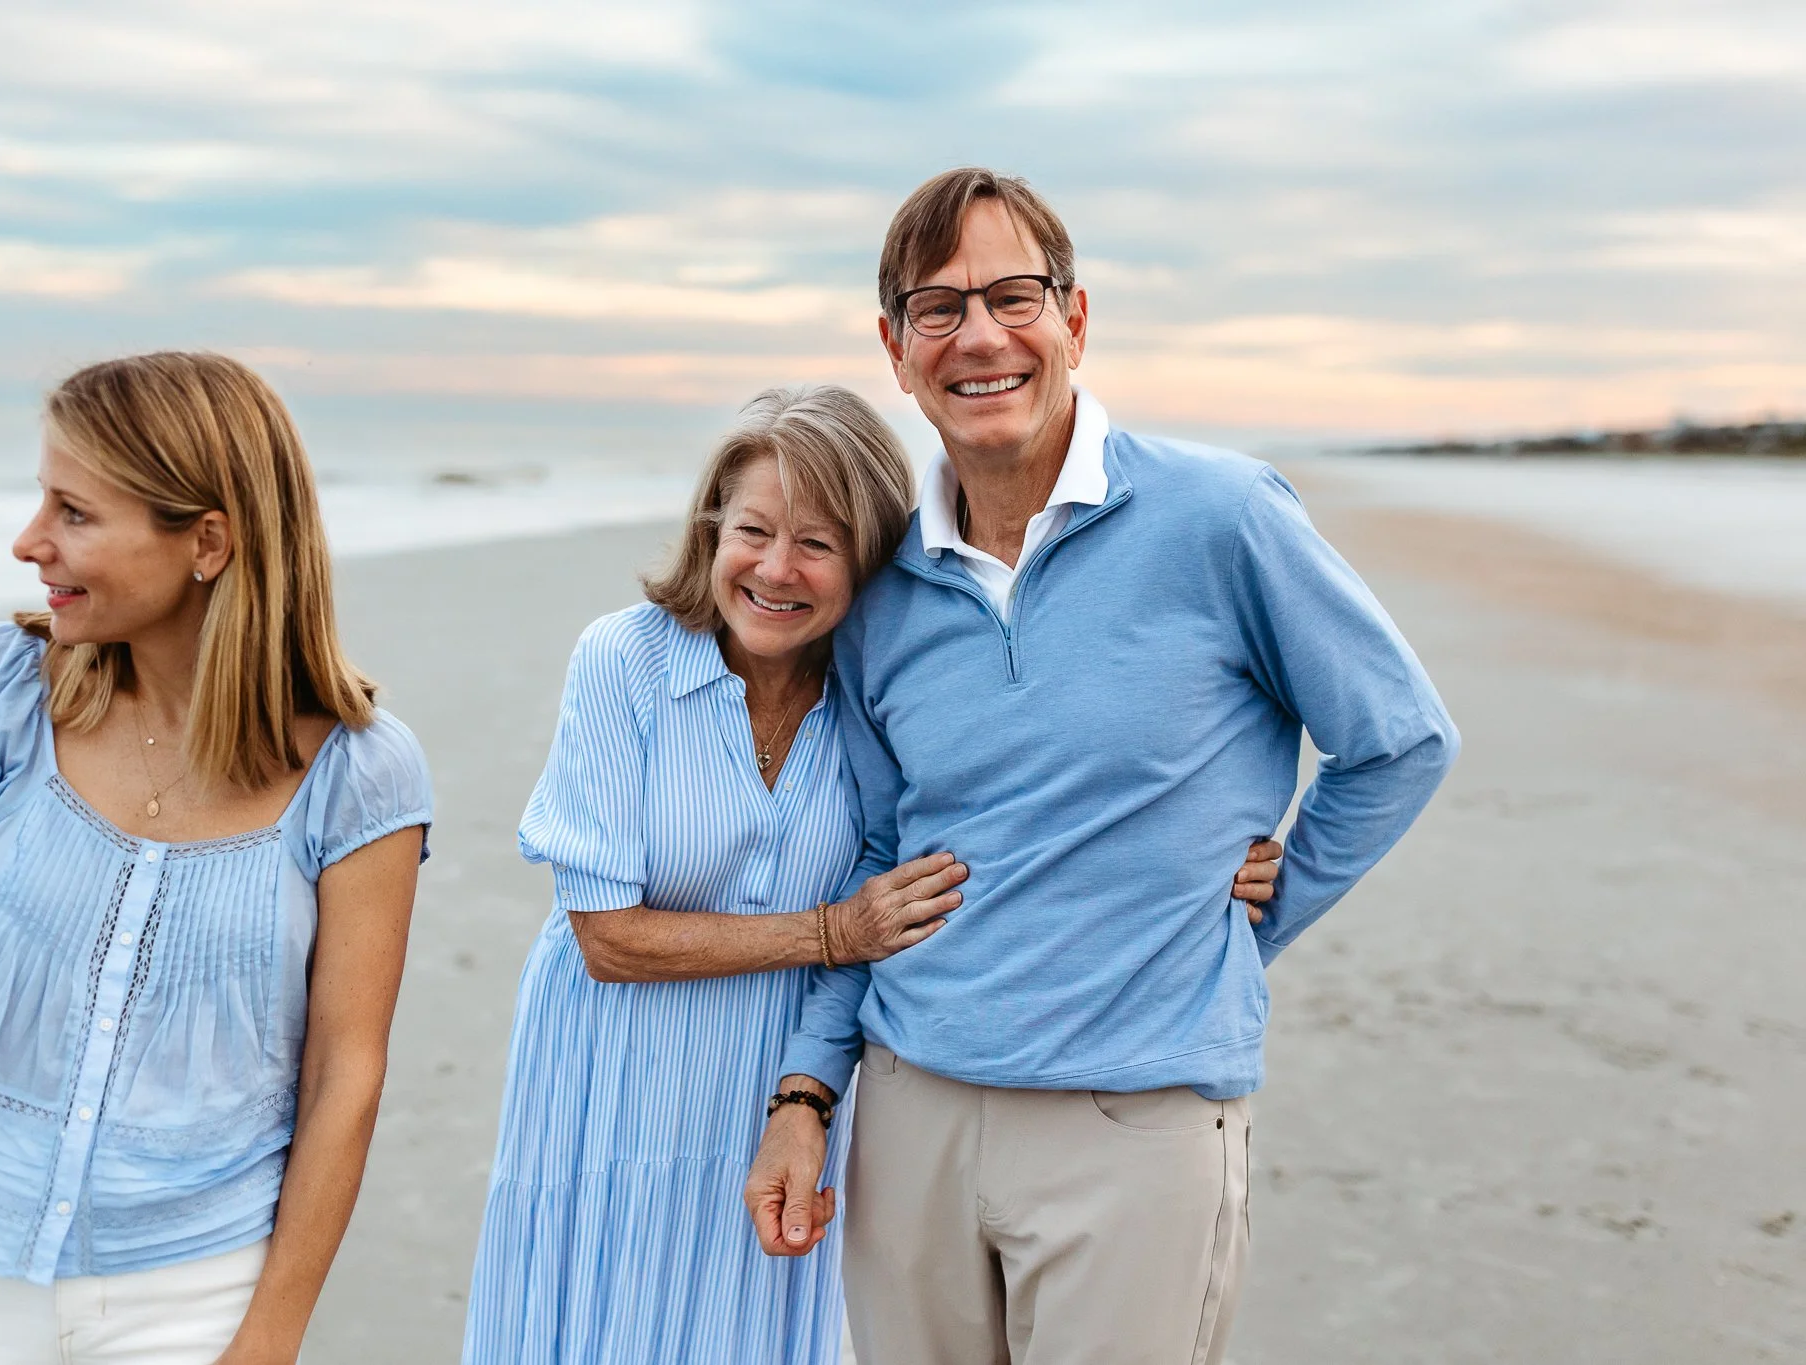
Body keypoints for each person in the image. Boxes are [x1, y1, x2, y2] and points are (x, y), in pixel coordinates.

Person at [746, 169, 1461, 1365]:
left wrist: (1254, 912)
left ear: (1073, 321)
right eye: (937, 307)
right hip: (910, 1108)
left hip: (1133, 1119)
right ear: (895, 347)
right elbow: (876, 861)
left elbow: (1397, 740)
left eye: (1012, 295)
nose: (979, 335)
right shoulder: (878, 591)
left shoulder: (1220, 518)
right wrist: (804, 1094)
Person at [461, 383, 1297, 1364]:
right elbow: (605, 937)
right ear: (710, 530)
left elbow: (971, 844)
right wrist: (828, 932)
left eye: (815, 543)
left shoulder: (880, 689)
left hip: (779, 1080)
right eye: (752, 531)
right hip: (606, 1081)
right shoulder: (622, 664)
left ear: (867, 560)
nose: (775, 569)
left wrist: (1202, 856)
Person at [0, 353, 433, 1365]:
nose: (30, 543)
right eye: (41, 501)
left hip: (194, 1298)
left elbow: (346, 1075)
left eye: (73, 512)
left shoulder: (362, 775)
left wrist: (269, 1336)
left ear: (206, 541)